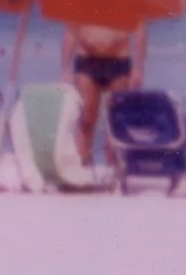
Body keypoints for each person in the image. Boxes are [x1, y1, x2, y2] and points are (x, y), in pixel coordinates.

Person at [61, 18, 148, 184]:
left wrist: (138, 68)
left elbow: (140, 30)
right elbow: (70, 30)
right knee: (85, 117)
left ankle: (113, 169)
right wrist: (64, 68)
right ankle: (82, 168)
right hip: (86, 60)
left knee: (115, 121)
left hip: (119, 61)